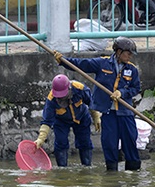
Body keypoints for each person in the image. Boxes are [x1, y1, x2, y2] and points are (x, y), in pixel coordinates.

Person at [55, 37, 141, 171]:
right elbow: (81, 64)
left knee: (130, 141)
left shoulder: (132, 69)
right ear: (118, 51)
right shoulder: (102, 64)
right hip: (108, 113)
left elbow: (136, 88)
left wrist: (122, 93)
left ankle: (134, 173)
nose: (130, 56)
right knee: (109, 144)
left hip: (125, 112)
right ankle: (112, 174)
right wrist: (63, 61)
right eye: (128, 53)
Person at [34, 74, 96, 167]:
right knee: (61, 142)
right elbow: (47, 121)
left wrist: (96, 116)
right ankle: (62, 168)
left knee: (85, 141)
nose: (61, 98)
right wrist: (40, 139)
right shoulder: (51, 99)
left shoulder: (80, 88)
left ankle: (87, 166)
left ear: (69, 88)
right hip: (61, 121)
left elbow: (91, 102)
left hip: (81, 117)